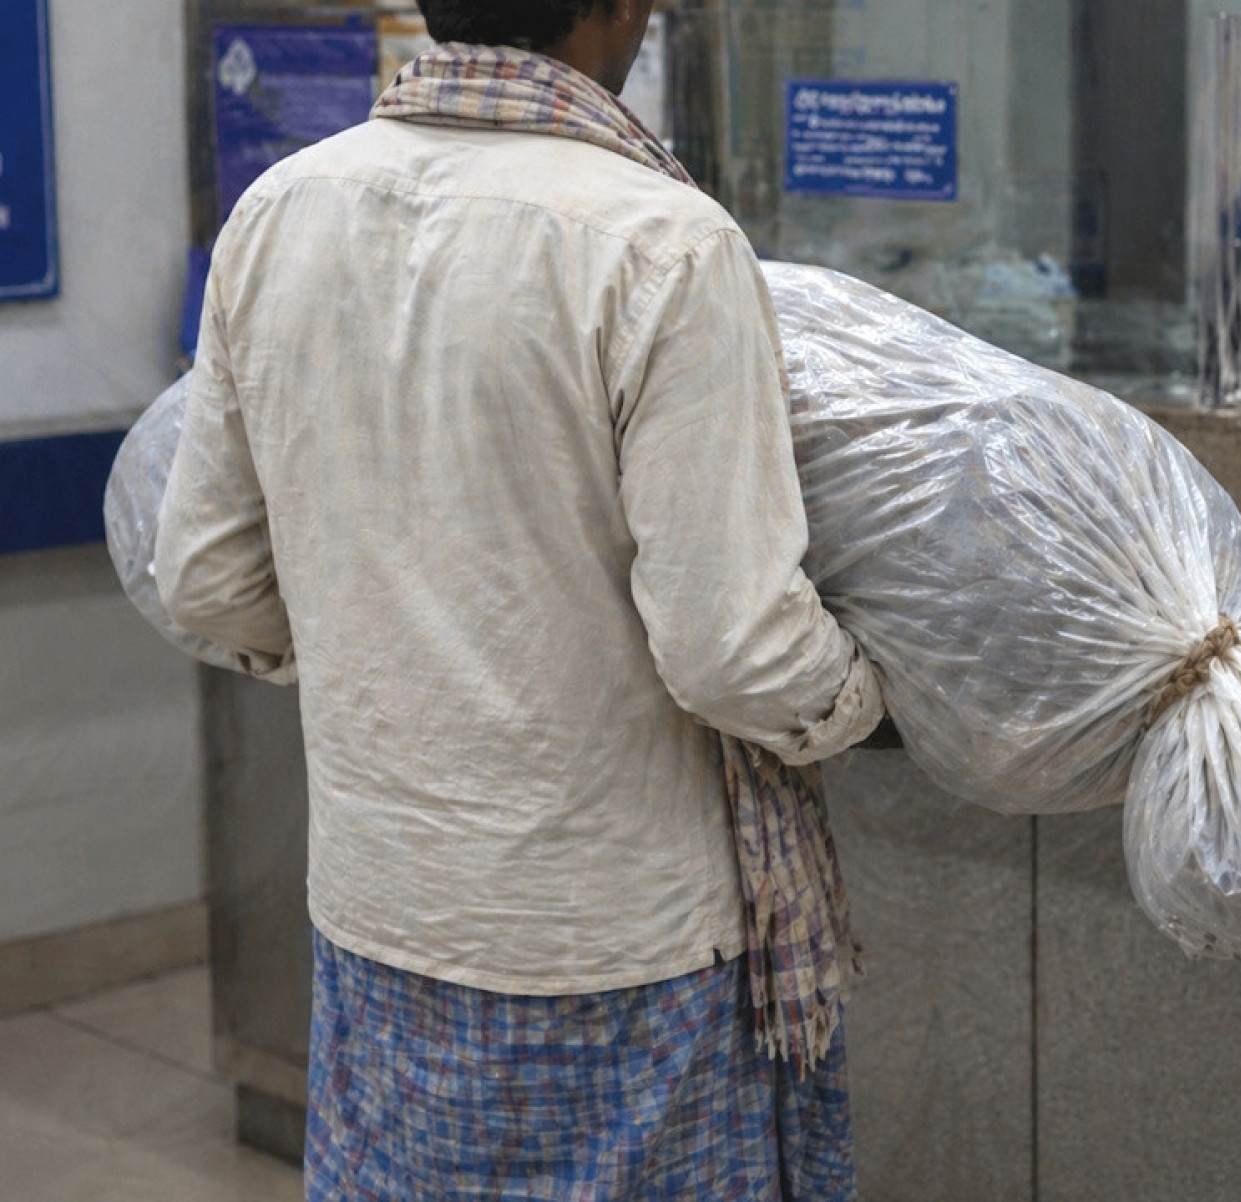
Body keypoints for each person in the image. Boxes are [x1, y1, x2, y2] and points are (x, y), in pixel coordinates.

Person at [154, 1, 888, 1197]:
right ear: (618, 9)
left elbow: (206, 577)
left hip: (381, 912)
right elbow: (732, 648)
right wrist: (863, 692)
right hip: (616, 941)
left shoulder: (280, 212)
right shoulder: (663, 244)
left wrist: (373, 635)